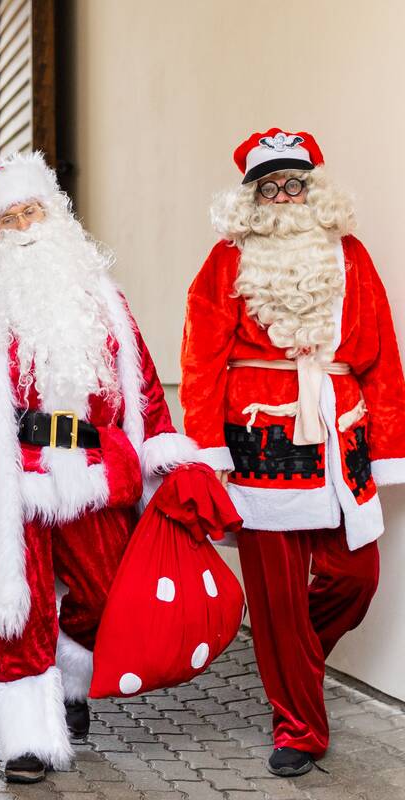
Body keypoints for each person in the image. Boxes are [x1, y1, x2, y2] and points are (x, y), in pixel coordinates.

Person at [0, 152, 199, 783]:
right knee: (19, 607)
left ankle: (72, 676)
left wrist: (165, 450)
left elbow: (144, 385)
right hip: (12, 471)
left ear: (55, 213)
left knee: (107, 596)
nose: (23, 226)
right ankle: (26, 739)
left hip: (95, 467)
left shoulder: (102, 295)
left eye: (32, 211)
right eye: (8, 219)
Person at [181, 129, 405, 777]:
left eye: (296, 183)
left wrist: (390, 445)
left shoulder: (350, 254)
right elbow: (200, 357)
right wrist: (208, 448)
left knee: (354, 579)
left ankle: (290, 658)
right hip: (259, 441)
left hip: (342, 437)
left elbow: (383, 355)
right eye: (271, 186)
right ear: (252, 196)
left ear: (314, 187)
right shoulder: (227, 259)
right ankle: (299, 727)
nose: (285, 196)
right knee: (275, 595)